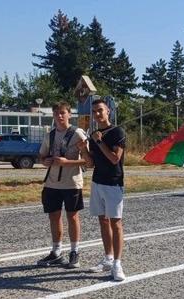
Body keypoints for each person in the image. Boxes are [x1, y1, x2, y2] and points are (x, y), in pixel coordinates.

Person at [36, 102, 89, 269]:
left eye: (63, 113)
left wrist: (67, 162)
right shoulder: (49, 135)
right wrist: (45, 161)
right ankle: (56, 251)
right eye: (57, 113)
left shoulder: (78, 133)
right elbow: (41, 157)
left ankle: (74, 251)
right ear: (53, 115)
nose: (59, 116)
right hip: (52, 183)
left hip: (71, 182)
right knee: (54, 216)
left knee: (72, 216)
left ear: (69, 115)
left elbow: (89, 161)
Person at [80, 99, 127, 281]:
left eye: (100, 110)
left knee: (116, 223)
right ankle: (108, 258)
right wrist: (84, 150)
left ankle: (117, 264)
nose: (97, 114)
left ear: (108, 111)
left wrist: (99, 142)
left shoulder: (118, 132)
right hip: (97, 181)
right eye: (94, 111)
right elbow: (91, 164)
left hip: (113, 183)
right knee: (103, 221)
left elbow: (115, 159)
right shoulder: (94, 134)